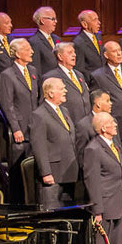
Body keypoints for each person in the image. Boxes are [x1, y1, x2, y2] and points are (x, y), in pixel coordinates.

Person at [83, 112, 122, 244]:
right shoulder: (93, 149)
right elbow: (91, 180)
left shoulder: (114, 144)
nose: (116, 125)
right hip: (105, 205)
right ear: (103, 128)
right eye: (112, 122)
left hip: (118, 202)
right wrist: (97, 210)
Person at [30, 77, 79, 208]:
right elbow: (39, 146)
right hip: (53, 174)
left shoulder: (64, 111)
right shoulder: (39, 115)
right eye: (61, 88)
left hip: (69, 172)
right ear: (50, 93)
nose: (66, 91)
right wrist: (46, 173)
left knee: (69, 212)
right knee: (53, 212)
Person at [0, 37, 40, 167]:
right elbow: (7, 105)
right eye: (27, 49)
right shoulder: (7, 75)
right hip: (21, 128)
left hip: (34, 126)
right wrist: (16, 129)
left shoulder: (33, 71)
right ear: (17, 53)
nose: (32, 52)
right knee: (19, 166)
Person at [91, 41, 122, 146]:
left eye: (120, 50)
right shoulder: (98, 76)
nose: (119, 54)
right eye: (115, 51)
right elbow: (97, 106)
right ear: (106, 55)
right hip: (114, 125)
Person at [44, 42, 91, 125]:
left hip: (86, 123)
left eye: (74, 52)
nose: (74, 55)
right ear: (60, 56)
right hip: (68, 123)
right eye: (70, 53)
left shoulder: (79, 74)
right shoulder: (51, 76)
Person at [29, 6, 63, 74]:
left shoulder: (57, 39)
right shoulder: (34, 42)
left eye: (56, 19)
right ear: (42, 21)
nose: (56, 21)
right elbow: (36, 69)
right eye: (52, 19)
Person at [72, 10, 104, 78]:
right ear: (84, 24)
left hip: (103, 79)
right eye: (95, 20)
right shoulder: (78, 42)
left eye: (98, 19)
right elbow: (80, 68)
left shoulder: (98, 36)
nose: (99, 22)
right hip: (92, 81)